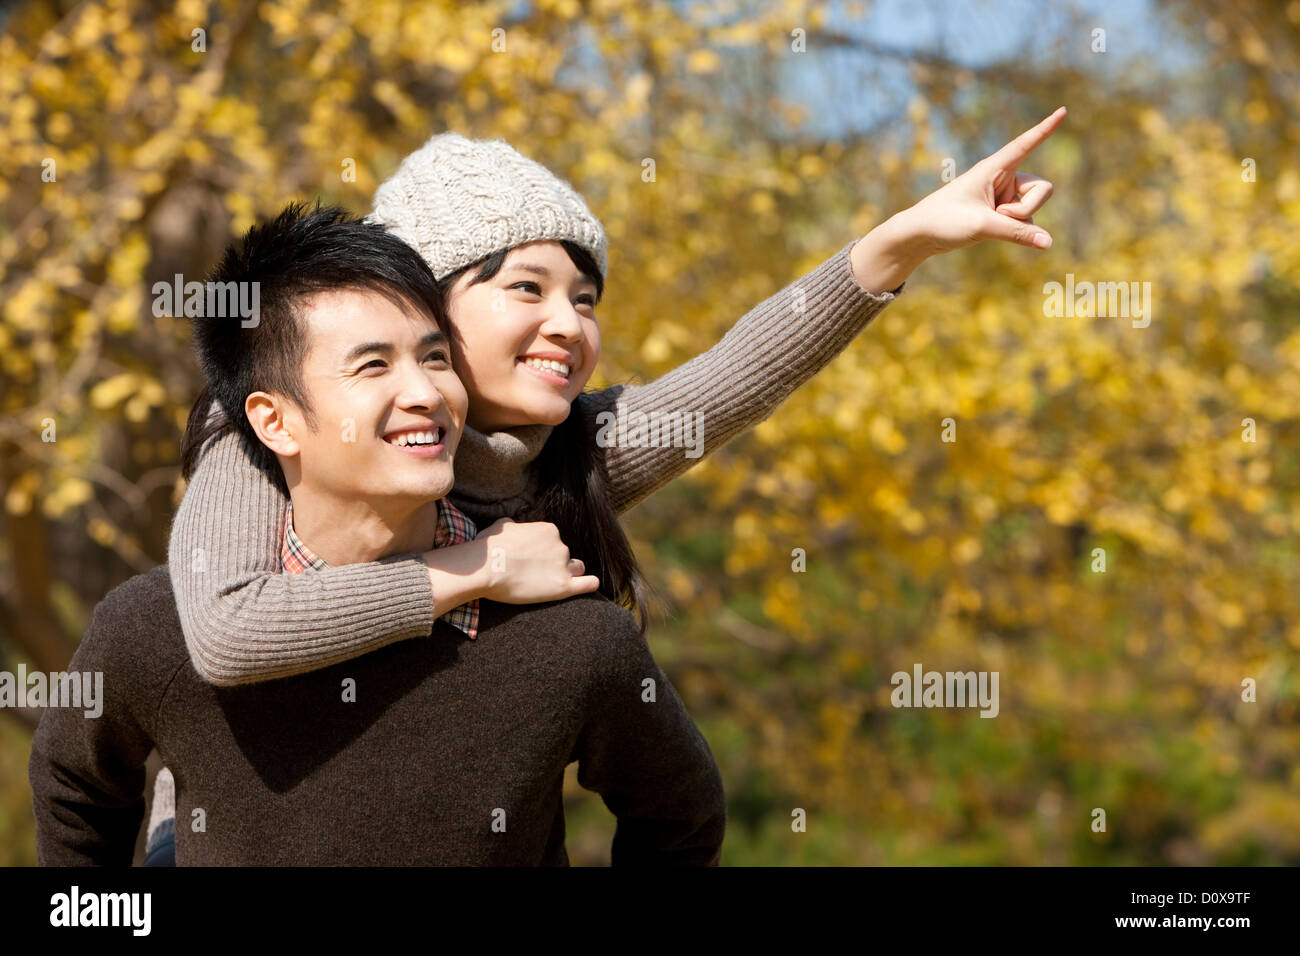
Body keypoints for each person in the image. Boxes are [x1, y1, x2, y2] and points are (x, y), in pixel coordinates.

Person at [152, 109, 1066, 846]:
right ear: (423, 307)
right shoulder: (270, 438)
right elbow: (229, 630)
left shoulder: (572, 455)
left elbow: (740, 373)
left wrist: (902, 242)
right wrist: (479, 572)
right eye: (526, 288)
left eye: (584, 300)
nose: (568, 325)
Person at [28, 203, 726, 866]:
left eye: (434, 358)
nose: (425, 393)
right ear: (274, 422)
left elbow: (681, 818)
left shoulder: (569, 636)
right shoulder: (157, 629)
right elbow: (74, 787)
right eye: (372, 366)